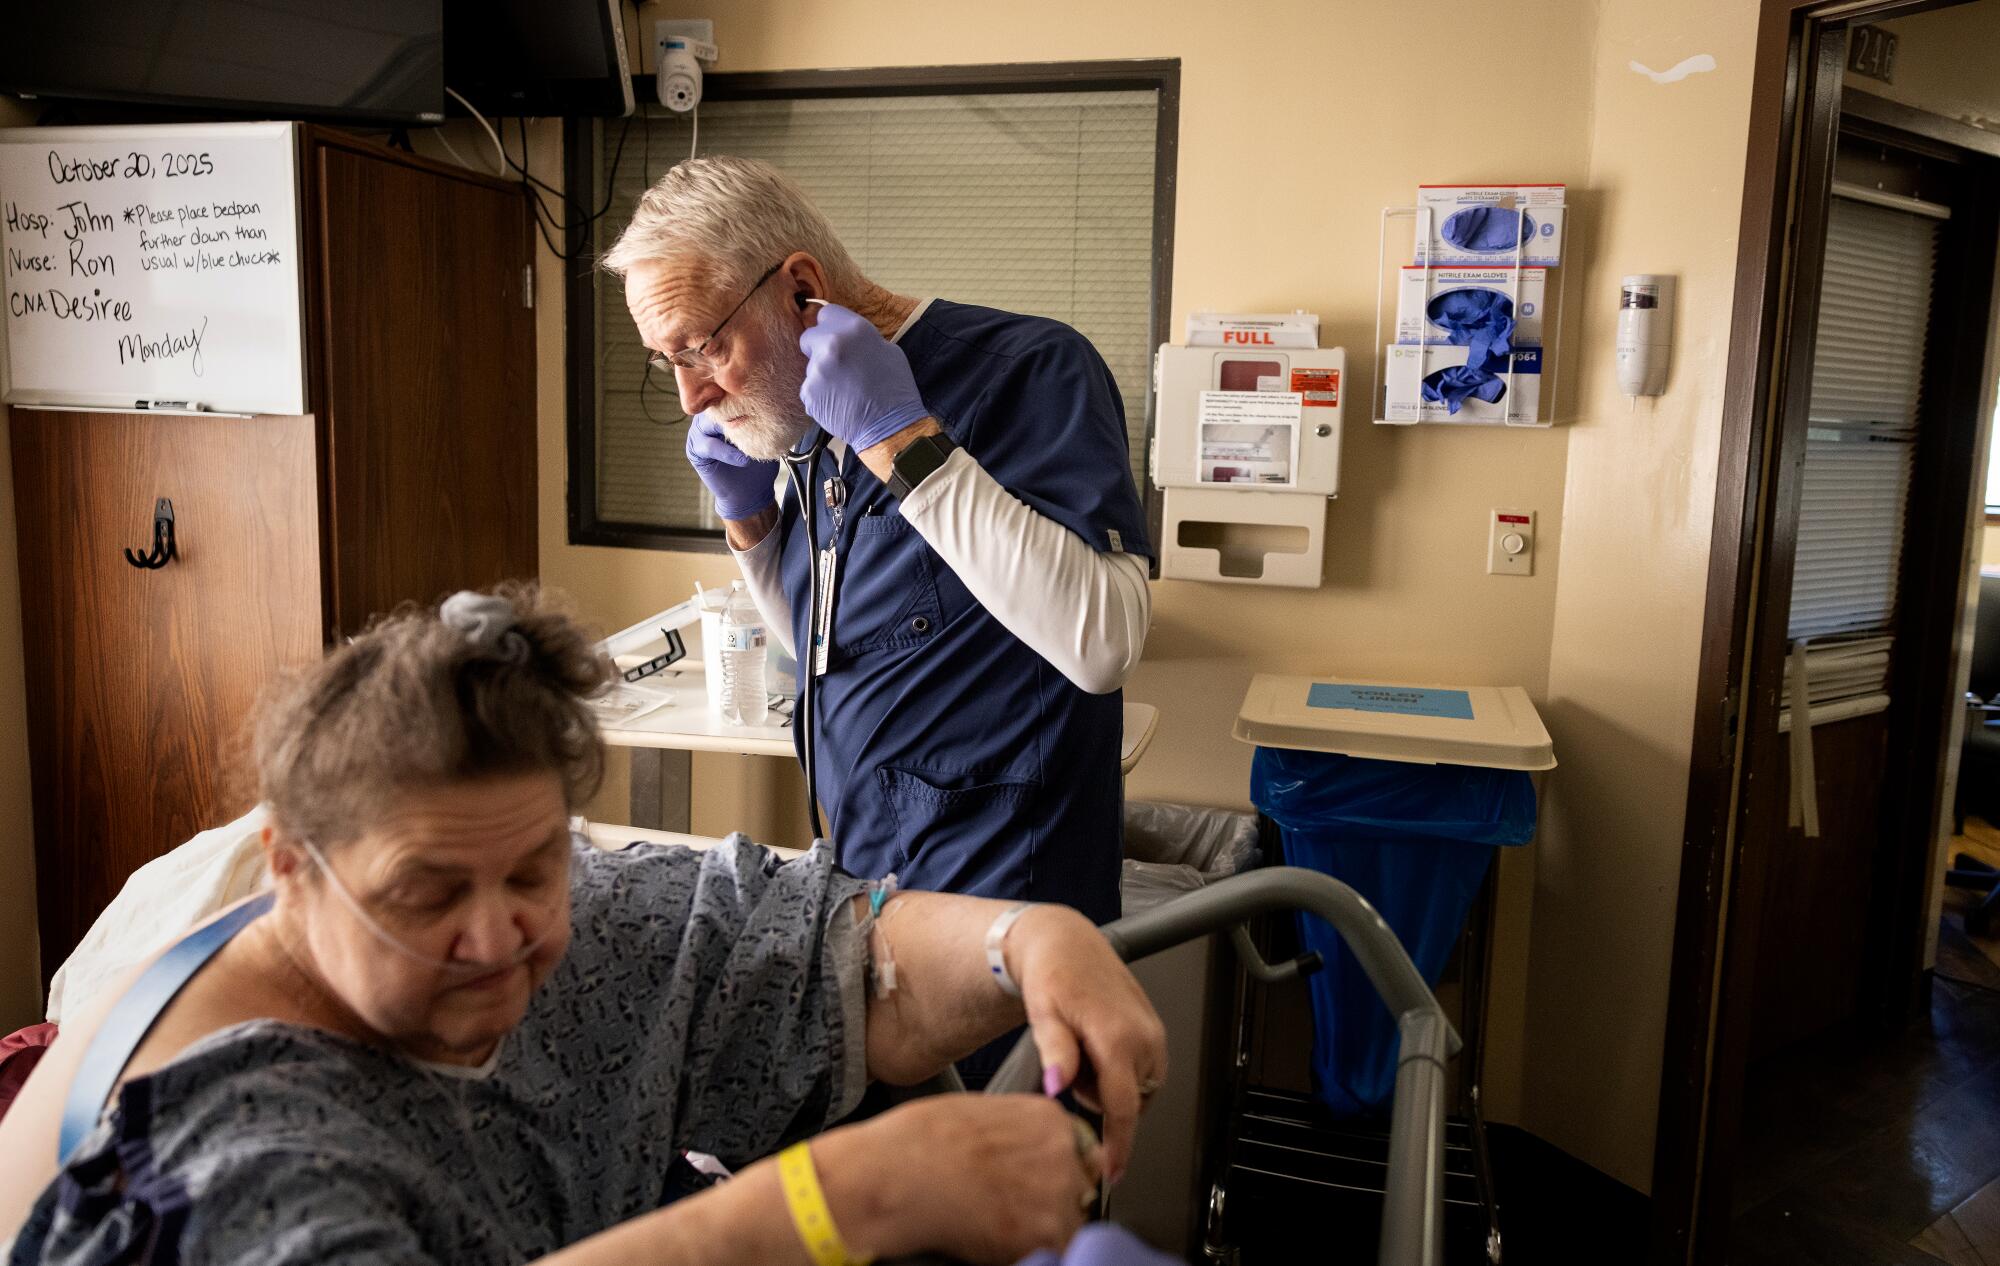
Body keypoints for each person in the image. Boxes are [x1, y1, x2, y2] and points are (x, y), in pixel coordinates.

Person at [0, 586, 1170, 1266]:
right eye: (427, 891)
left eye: (533, 869)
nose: (496, 935)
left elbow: (806, 949)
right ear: (287, 870)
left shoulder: (507, 914)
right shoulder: (224, 1155)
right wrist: (834, 1199)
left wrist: (1023, 939)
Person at [604, 156, 1153, 930]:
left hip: (1009, 913)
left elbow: (1106, 641)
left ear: (800, 290)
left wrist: (900, 438)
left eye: (703, 348)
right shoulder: (809, 421)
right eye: (671, 362)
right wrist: (750, 527)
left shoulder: (1028, 370)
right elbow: (818, 646)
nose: (692, 396)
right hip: (872, 888)